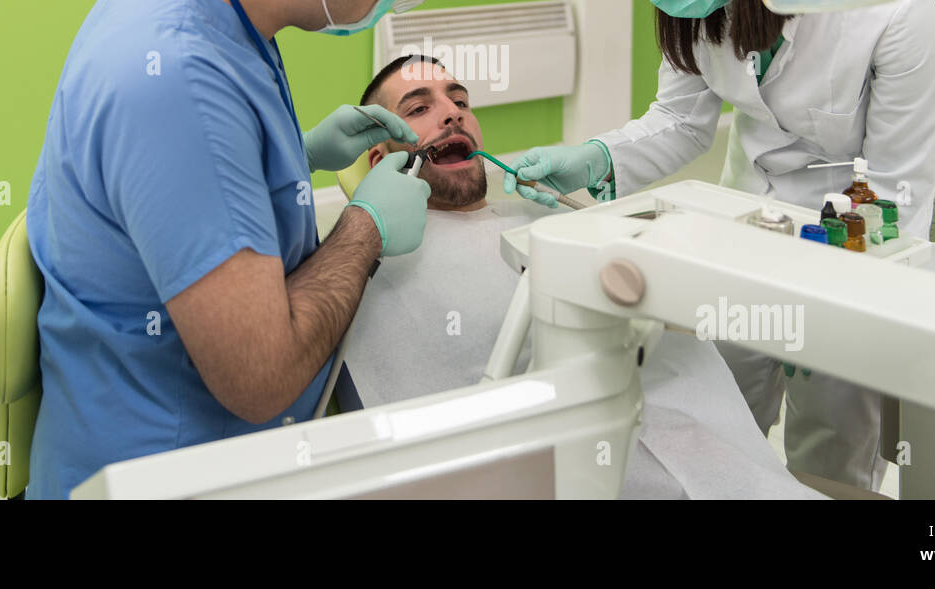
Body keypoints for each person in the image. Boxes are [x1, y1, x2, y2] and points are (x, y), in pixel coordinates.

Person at [25, 0, 461, 498]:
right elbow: (260, 381)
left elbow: (182, 178)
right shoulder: (176, 87)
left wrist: (295, 153)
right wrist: (365, 227)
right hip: (168, 468)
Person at [507, 0, 935, 490]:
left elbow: (897, 187)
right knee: (717, 435)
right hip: (740, 233)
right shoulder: (706, 5)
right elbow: (682, 120)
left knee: (829, 460)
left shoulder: (893, 8)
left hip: (853, 247)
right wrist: (595, 157)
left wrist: (827, 296)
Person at [341, 54, 823, 499]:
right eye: (419, 108)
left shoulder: (551, 220)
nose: (453, 113)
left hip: (724, 464)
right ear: (379, 160)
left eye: (461, 100)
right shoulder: (376, 270)